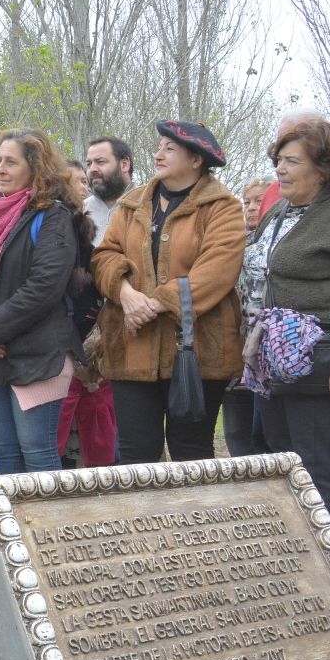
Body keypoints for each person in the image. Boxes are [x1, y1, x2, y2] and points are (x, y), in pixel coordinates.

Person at [240, 118, 330, 546]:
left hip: (325, 359)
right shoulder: (282, 212)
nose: (280, 170)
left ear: (322, 168)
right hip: (277, 362)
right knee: (284, 462)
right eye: (278, 161)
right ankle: (297, 555)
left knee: (323, 465)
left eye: (291, 162)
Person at [91, 120, 243, 463]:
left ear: (196, 160)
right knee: (135, 453)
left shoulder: (222, 207)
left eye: (170, 149)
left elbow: (217, 270)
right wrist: (126, 295)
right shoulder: (131, 206)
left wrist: (154, 304)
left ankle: (193, 519)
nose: (159, 154)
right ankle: (140, 519)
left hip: (197, 352)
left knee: (191, 451)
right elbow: (104, 257)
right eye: (159, 146)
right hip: (131, 347)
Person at [0, 130, 91, 475]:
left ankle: (48, 532)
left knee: (38, 456)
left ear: (36, 167)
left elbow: (44, 286)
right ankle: (13, 531)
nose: (0, 169)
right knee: (5, 457)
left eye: (10, 161)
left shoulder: (54, 217)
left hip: (38, 355)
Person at [56, 159, 113, 468]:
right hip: (57, 342)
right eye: (76, 179)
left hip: (88, 340)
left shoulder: (83, 231)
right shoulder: (50, 226)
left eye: (83, 180)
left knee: (94, 421)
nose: (83, 186)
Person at [222, 176, 275, 458]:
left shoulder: (279, 242)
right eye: (247, 202)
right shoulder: (233, 242)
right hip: (233, 351)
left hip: (266, 351)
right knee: (235, 432)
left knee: (262, 432)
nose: (252, 208)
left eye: (259, 200)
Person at [82, 136, 133, 244]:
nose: (92, 169)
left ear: (124, 165)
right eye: (89, 164)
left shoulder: (149, 205)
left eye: (100, 162)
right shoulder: (79, 211)